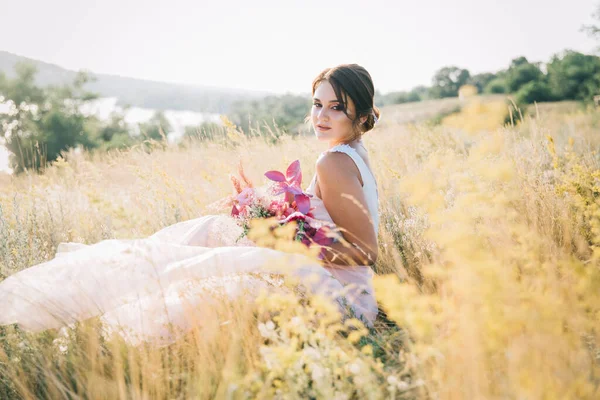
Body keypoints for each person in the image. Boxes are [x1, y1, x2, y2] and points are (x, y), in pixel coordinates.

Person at [0, 64, 381, 344]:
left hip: (344, 304)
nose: (320, 116)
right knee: (214, 232)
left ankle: (106, 312)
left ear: (360, 115)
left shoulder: (332, 162)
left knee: (222, 264)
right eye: (317, 104)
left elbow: (365, 252)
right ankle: (112, 294)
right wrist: (274, 223)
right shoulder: (351, 152)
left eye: (336, 107)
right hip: (344, 292)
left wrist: (286, 240)